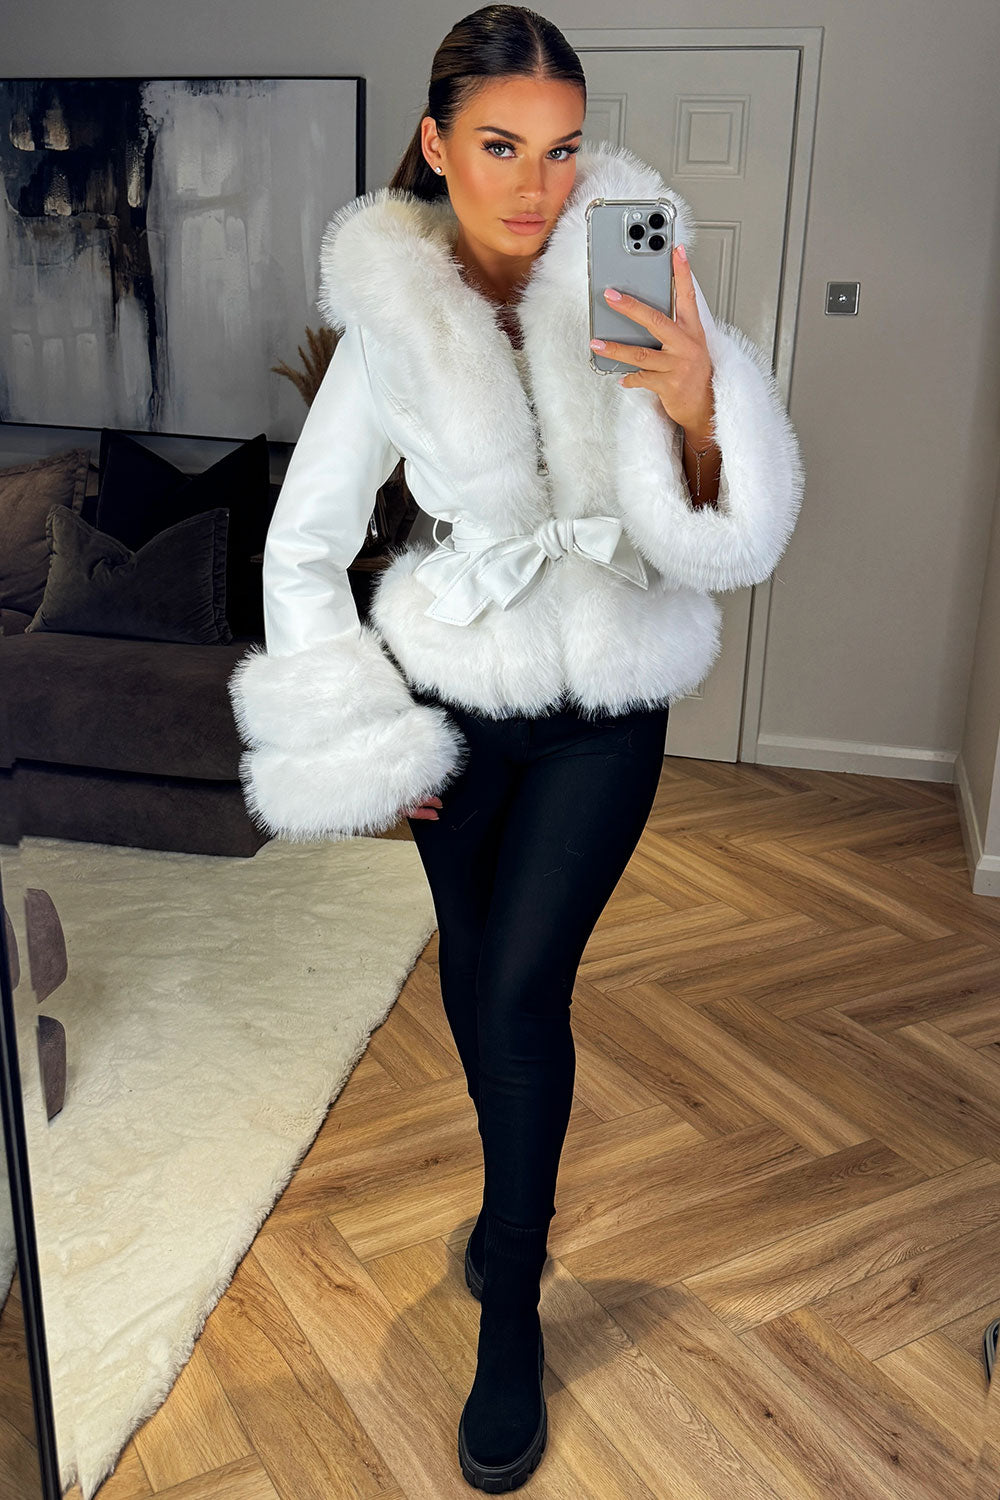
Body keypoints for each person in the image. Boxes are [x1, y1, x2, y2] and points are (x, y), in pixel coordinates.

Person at [228, 4, 805, 1490]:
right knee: (479, 978)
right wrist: (370, 734)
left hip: (610, 696)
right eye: (501, 147)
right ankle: (500, 1222)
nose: (538, 184)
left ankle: (513, 1314)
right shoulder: (393, 321)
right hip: (464, 698)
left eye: (561, 149)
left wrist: (699, 408)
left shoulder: (628, 266)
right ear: (437, 146)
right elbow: (304, 547)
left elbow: (722, 533)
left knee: (528, 985)